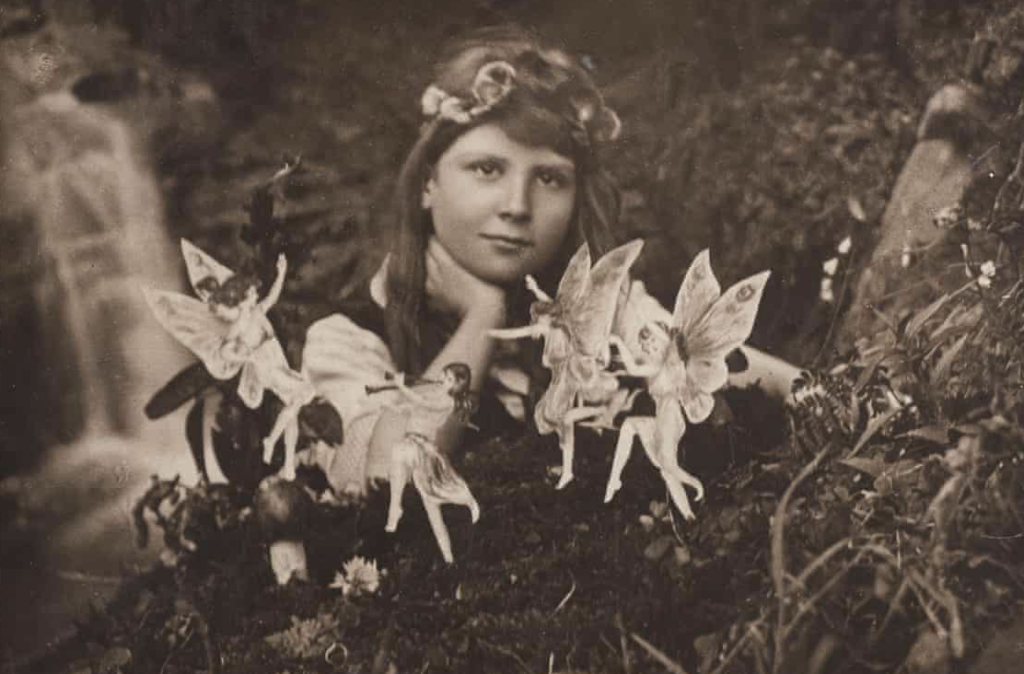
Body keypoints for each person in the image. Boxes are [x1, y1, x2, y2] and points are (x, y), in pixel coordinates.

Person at [303, 24, 804, 510]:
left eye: (549, 179)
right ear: (427, 184)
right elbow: (388, 477)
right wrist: (483, 316)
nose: (518, 206)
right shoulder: (350, 338)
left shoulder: (603, 311)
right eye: (487, 169)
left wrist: (825, 392)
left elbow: (727, 366)